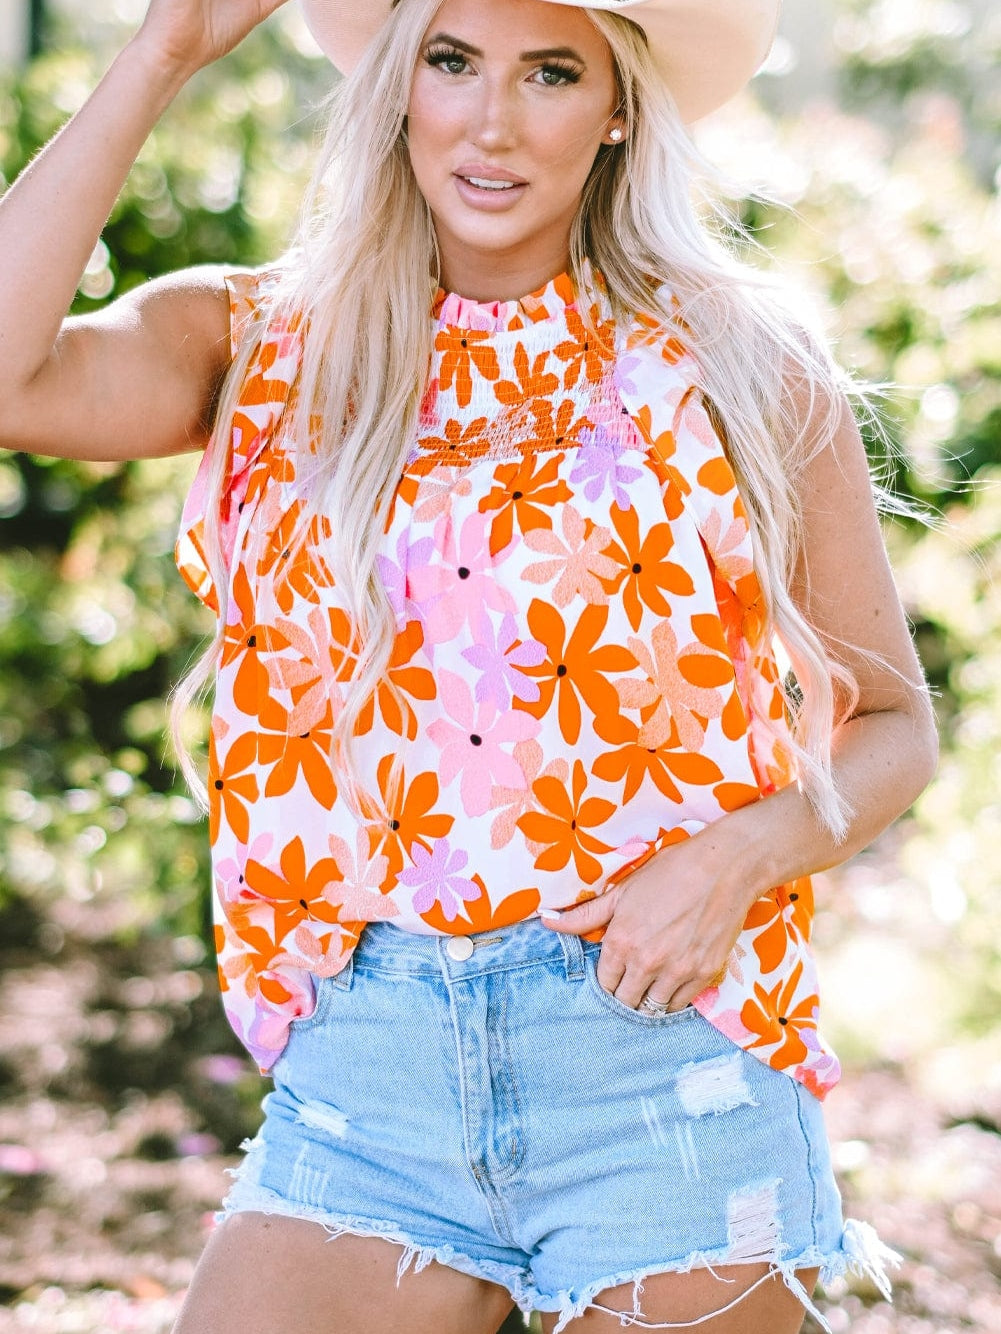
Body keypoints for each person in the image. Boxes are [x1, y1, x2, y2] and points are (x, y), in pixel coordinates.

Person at [0, 0, 938, 1330]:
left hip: (655, 1046)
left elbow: (891, 725)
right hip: (372, 1062)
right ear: (398, 86)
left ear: (616, 107)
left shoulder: (735, 361)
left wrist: (726, 864)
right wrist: (161, 54)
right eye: (451, 61)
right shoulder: (264, 345)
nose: (489, 121)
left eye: (549, 72)